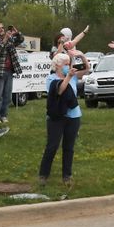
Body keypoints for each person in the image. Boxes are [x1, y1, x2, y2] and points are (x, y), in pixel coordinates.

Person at [39, 51, 89, 187]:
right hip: (57, 116)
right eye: (66, 64)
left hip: (73, 116)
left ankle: (67, 175)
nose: (68, 66)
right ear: (58, 66)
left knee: (69, 147)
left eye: (69, 63)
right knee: (52, 146)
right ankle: (43, 175)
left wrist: (82, 56)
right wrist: (68, 77)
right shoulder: (51, 78)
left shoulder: (72, 76)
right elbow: (60, 90)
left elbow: (87, 70)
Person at [0, 23, 25, 123]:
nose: (1, 29)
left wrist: (16, 33)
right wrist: (5, 38)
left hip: (9, 71)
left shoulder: (10, 39)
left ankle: (4, 115)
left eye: (2, 28)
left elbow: (21, 40)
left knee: (8, 96)